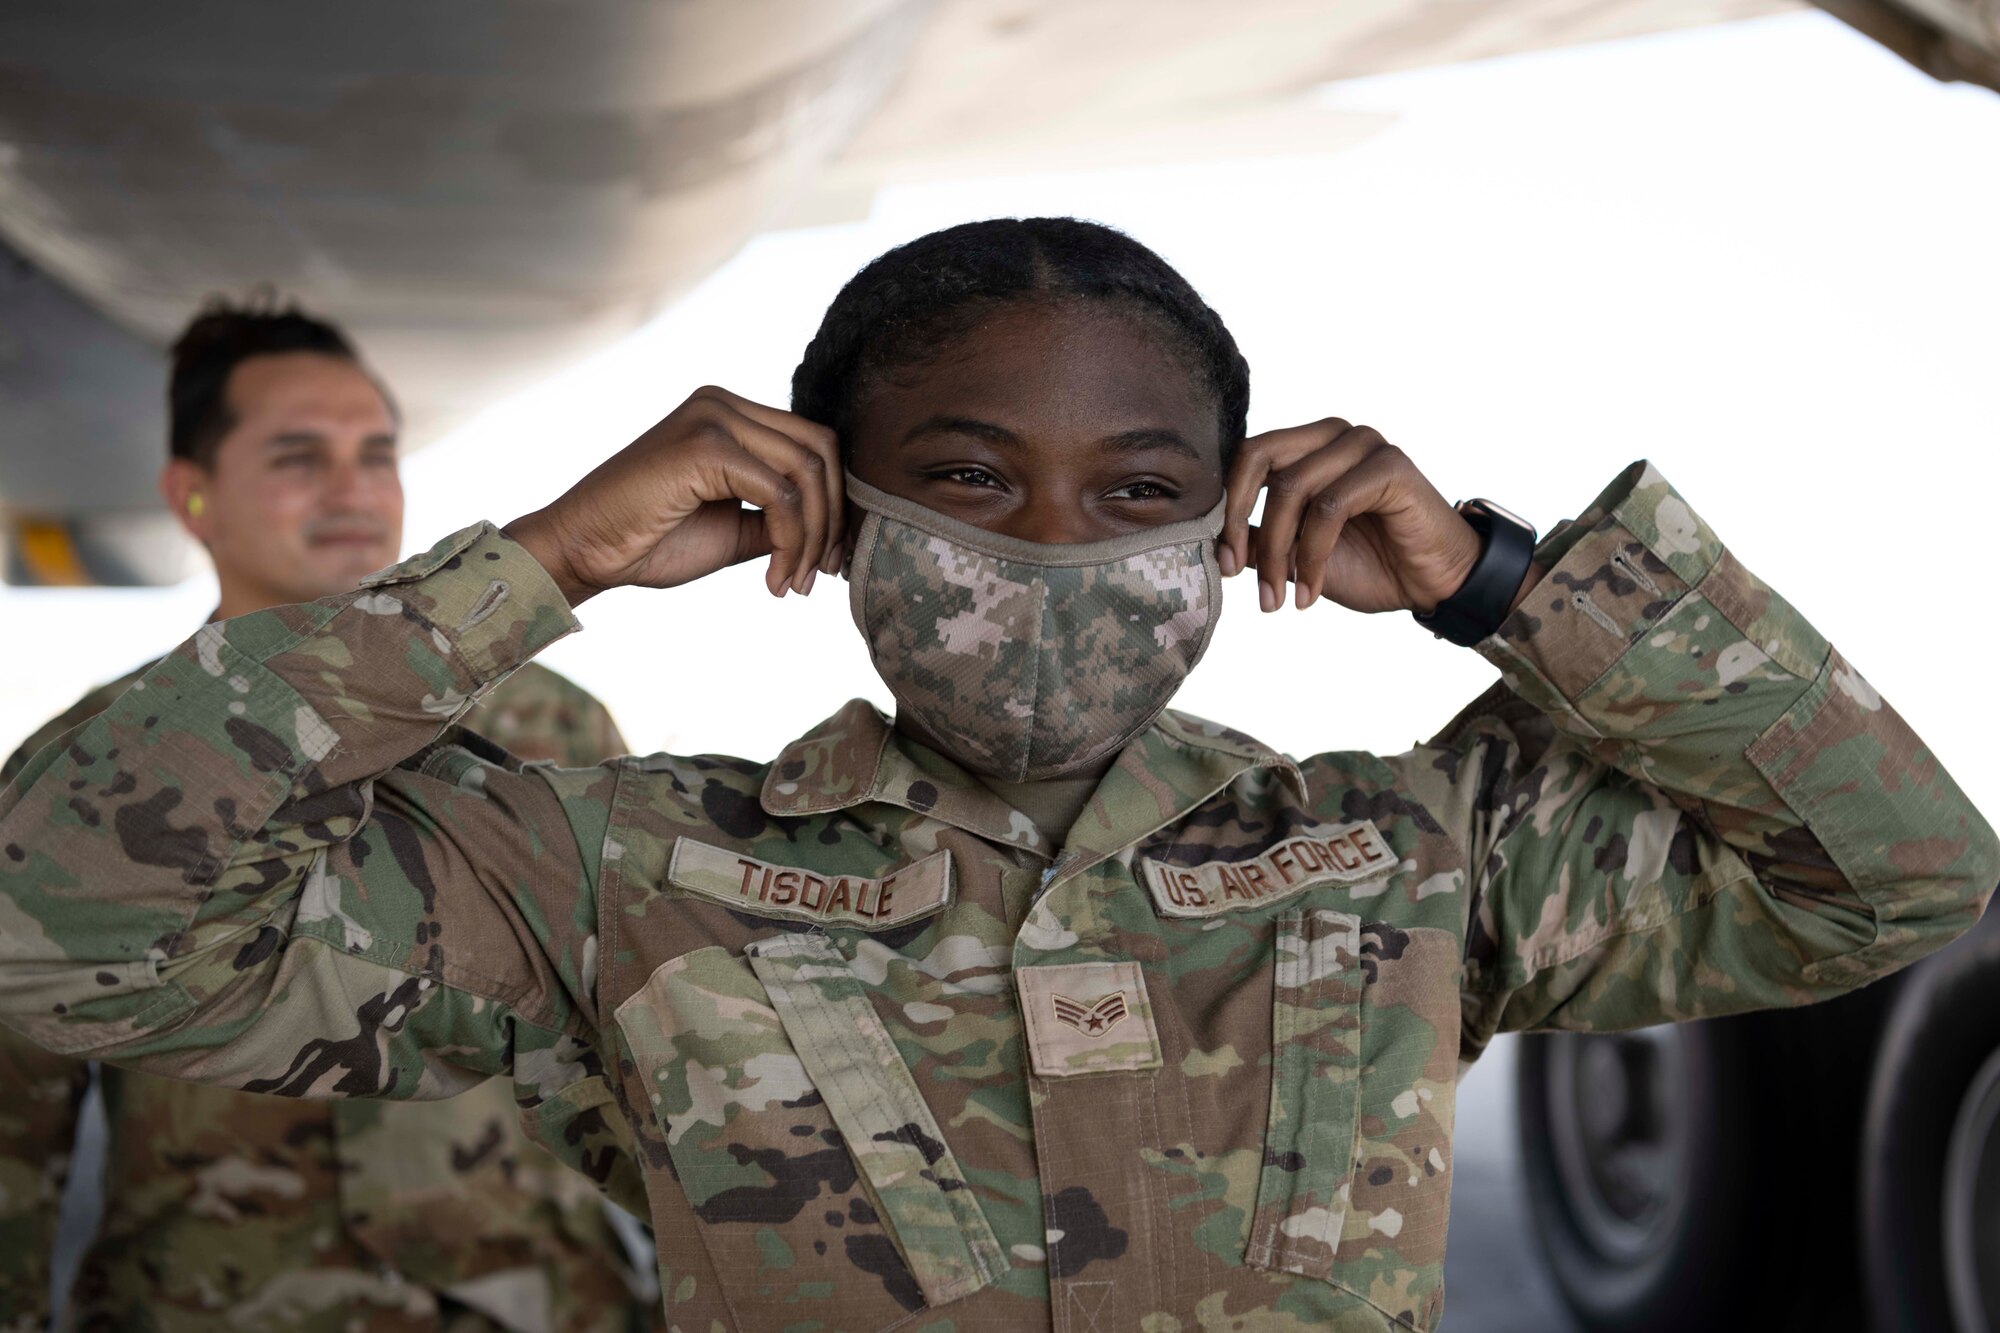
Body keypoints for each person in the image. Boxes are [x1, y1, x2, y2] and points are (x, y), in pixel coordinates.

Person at [0, 218, 1992, 1333]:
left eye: (1137, 490)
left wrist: (1505, 583)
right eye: (964, 478)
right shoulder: (622, 874)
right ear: (823, 514)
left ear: (1232, 525)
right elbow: (57, 927)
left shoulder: (1398, 858)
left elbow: (1892, 871)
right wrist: (547, 560)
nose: (1049, 544)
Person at [0, 300, 654, 1333]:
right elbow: (14, 1118)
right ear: (193, 495)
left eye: (377, 454)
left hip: (534, 1300)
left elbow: (640, 1036)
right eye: (299, 457)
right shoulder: (95, 762)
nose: (354, 491)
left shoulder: (549, 723)